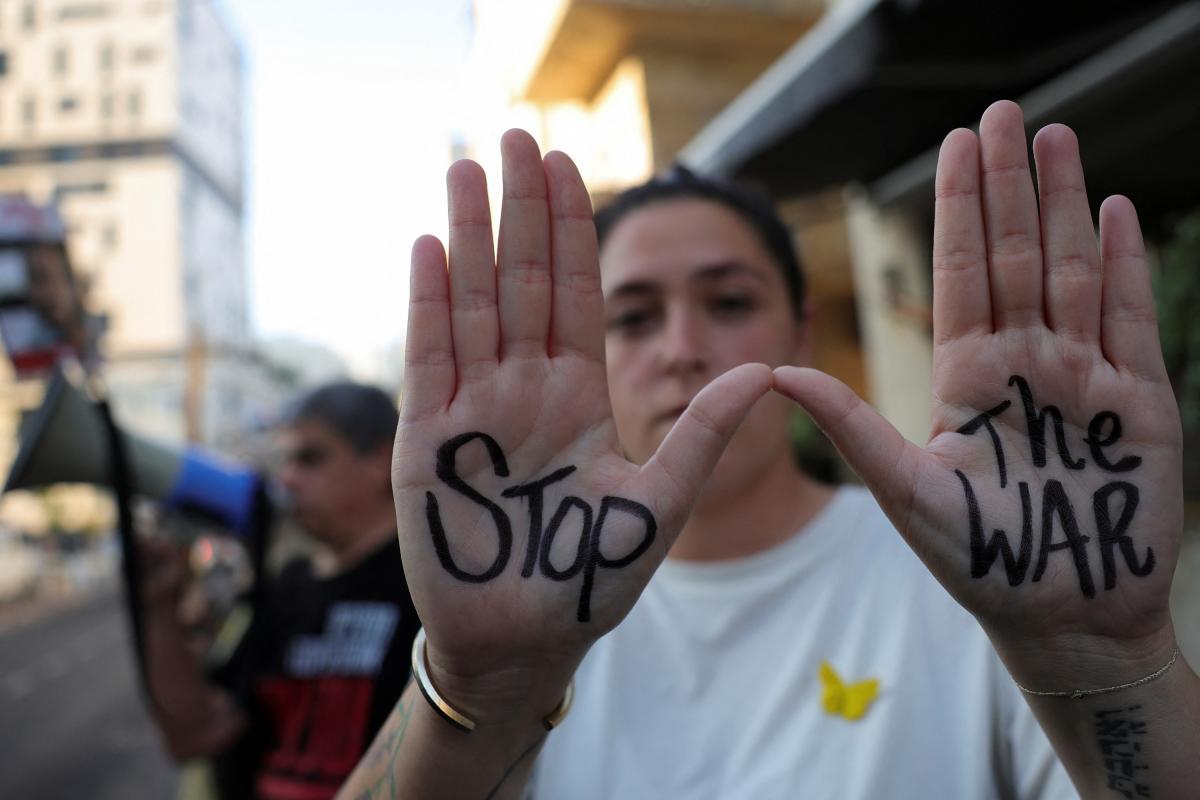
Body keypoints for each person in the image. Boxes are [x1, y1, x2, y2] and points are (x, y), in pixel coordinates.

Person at [340, 101, 1200, 798]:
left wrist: (1108, 661)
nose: (682, 348)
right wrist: (487, 692)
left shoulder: (975, 572)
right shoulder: (512, 606)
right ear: (584, 351)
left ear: (802, 331)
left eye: (729, 301)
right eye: (633, 317)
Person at [143, 382, 421, 800]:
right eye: (286, 460)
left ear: (381, 461)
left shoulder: (424, 588)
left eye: (310, 458)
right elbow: (196, 735)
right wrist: (158, 604)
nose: (287, 479)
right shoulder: (287, 586)